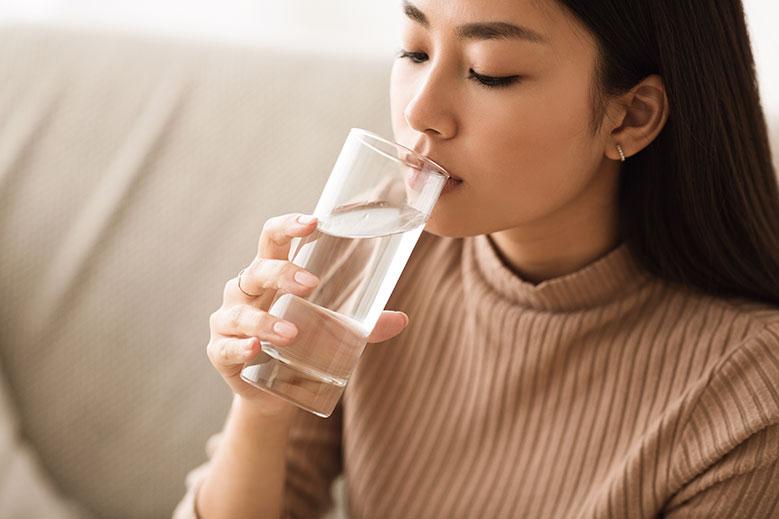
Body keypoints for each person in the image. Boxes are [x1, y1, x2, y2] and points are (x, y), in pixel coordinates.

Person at [174, 0, 779, 517]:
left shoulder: (750, 397)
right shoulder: (371, 248)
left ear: (633, 115)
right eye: (414, 51)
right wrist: (262, 407)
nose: (419, 112)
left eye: (489, 72)